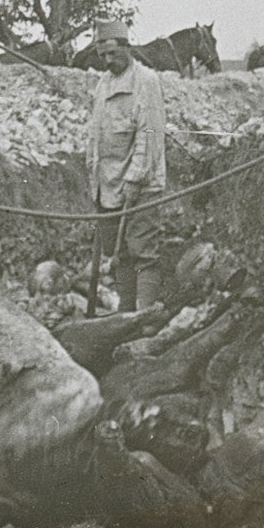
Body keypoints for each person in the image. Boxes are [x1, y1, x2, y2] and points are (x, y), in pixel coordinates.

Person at [87, 19, 168, 313]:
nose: (108, 61)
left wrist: (136, 178)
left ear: (127, 47)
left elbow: (150, 134)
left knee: (142, 252)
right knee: (119, 253)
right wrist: (94, 179)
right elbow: (95, 135)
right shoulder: (103, 84)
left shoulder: (145, 81)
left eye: (112, 53)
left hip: (140, 186)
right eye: (102, 55)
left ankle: (144, 317)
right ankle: (125, 314)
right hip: (109, 185)